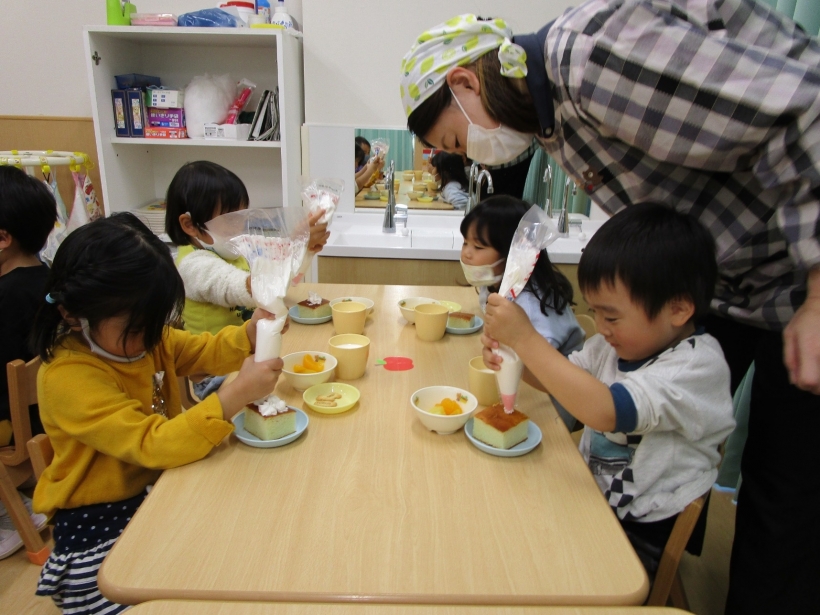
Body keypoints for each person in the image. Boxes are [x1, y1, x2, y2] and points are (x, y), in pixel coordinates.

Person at [400, 4, 820, 611]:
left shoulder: (591, 60)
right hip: (728, 281)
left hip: (793, 271)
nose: (472, 158)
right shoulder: (552, 121)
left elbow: (803, 103)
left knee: (784, 496)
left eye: (458, 141)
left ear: (466, 82)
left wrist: (818, 287)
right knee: (697, 452)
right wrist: (523, 355)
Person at [30, 213, 284, 614]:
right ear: (71, 315)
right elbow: (151, 443)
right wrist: (234, 395)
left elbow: (201, 351)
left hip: (155, 489)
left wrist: (249, 334)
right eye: (136, 329)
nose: (150, 340)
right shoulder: (68, 377)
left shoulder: (146, 338)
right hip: (97, 525)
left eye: (155, 325)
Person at [482, 203, 736, 578]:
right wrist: (515, 356)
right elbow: (562, 381)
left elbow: (606, 411)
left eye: (612, 316)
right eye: (596, 313)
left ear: (678, 309)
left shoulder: (696, 367)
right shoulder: (613, 345)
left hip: (643, 529)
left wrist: (526, 339)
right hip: (594, 496)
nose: (601, 327)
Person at [165, 161, 328, 399]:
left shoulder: (234, 252)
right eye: (231, 218)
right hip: (216, 377)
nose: (241, 226)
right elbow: (237, 286)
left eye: (242, 215)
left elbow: (276, 285)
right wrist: (293, 245)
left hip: (247, 358)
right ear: (190, 225)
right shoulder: (192, 265)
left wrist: (303, 250)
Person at [462, 196, 584, 429]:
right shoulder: (495, 286)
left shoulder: (533, 305)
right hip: (523, 384)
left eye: (478, 247)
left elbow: (547, 373)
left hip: (556, 405)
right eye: (465, 243)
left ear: (515, 253)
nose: (466, 253)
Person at [0, 166, 56, 559]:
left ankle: (9, 518)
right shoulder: (48, 279)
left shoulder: (6, 295)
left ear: (3, 239)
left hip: (14, 426)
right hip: (46, 413)